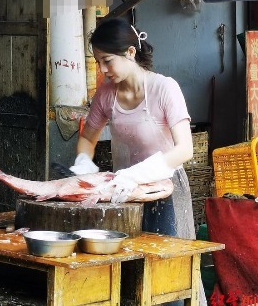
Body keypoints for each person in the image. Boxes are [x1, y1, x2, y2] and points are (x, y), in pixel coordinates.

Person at [70, 17, 195, 237]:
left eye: (107, 60)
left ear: (130, 52)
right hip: (123, 193)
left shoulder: (164, 88)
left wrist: (137, 174)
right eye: (98, 62)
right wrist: (83, 161)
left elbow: (185, 149)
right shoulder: (106, 94)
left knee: (164, 263)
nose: (102, 69)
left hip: (165, 190)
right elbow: (88, 138)